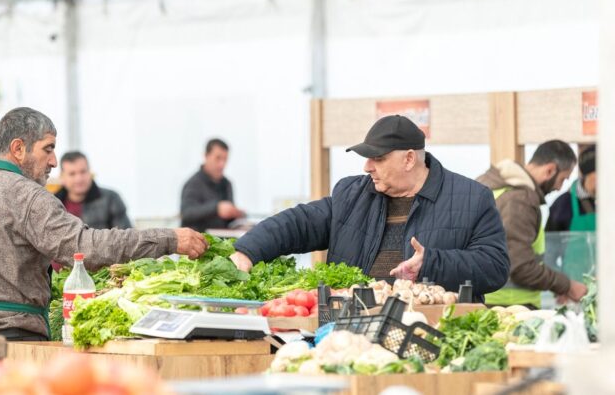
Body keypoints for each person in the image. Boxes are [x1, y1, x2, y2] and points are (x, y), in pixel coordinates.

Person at [0, 107, 208, 341]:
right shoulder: (29, 197)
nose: (54, 161)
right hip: (12, 345)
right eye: (48, 148)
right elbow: (85, 248)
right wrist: (168, 239)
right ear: (18, 148)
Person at [230, 115, 510, 300]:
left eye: (377, 158)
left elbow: (495, 267)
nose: (367, 166)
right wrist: (248, 250)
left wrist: (432, 263)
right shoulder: (353, 194)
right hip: (351, 332)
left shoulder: (472, 198)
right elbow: (300, 222)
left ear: (409, 159)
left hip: (429, 335)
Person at [476, 140, 587, 308]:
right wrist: (568, 285)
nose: (559, 188)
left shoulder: (494, 187)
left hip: (487, 302)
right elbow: (520, 267)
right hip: (509, 309)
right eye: (563, 179)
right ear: (550, 170)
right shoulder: (519, 201)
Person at [546, 145, 596, 282]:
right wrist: (561, 286)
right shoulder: (562, 205)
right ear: (588, 174)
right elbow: (549, 255)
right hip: (574, 291)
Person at [55, 151, 132, 230]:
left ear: (90, 172)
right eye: (72, 174)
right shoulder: (53, 203)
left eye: (83, 172)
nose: (79, 179)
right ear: (62, 177)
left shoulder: (111, 199)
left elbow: (126, 237)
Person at [180, 138, 245, 232]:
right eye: (218, 158)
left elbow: (230, 220)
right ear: (206, 156)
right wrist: (216, 208)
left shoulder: (227, 184)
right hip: (197, 241)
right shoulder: (193, 184)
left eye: (225, 159)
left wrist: (237, 214)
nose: (222, 164)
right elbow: (187, 213)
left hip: (223, 241)